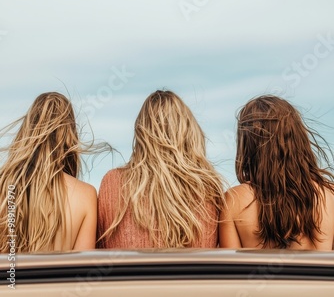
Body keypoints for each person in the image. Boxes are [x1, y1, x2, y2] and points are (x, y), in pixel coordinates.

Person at [97, 89, 226, 248]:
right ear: (189, 132)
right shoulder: (209, 189)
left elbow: (99, 249)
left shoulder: (113, 183)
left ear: (141, 133)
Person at [219, 95, 334, 249]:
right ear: (298, 138)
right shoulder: (330, 195)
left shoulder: (234, 201)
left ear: (246, 145)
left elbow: (230, 270)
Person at [0, 92, 97, 253]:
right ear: (69, 136)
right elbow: (82, 270)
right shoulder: (85, 194)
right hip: (58, 279)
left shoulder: (4, 186)